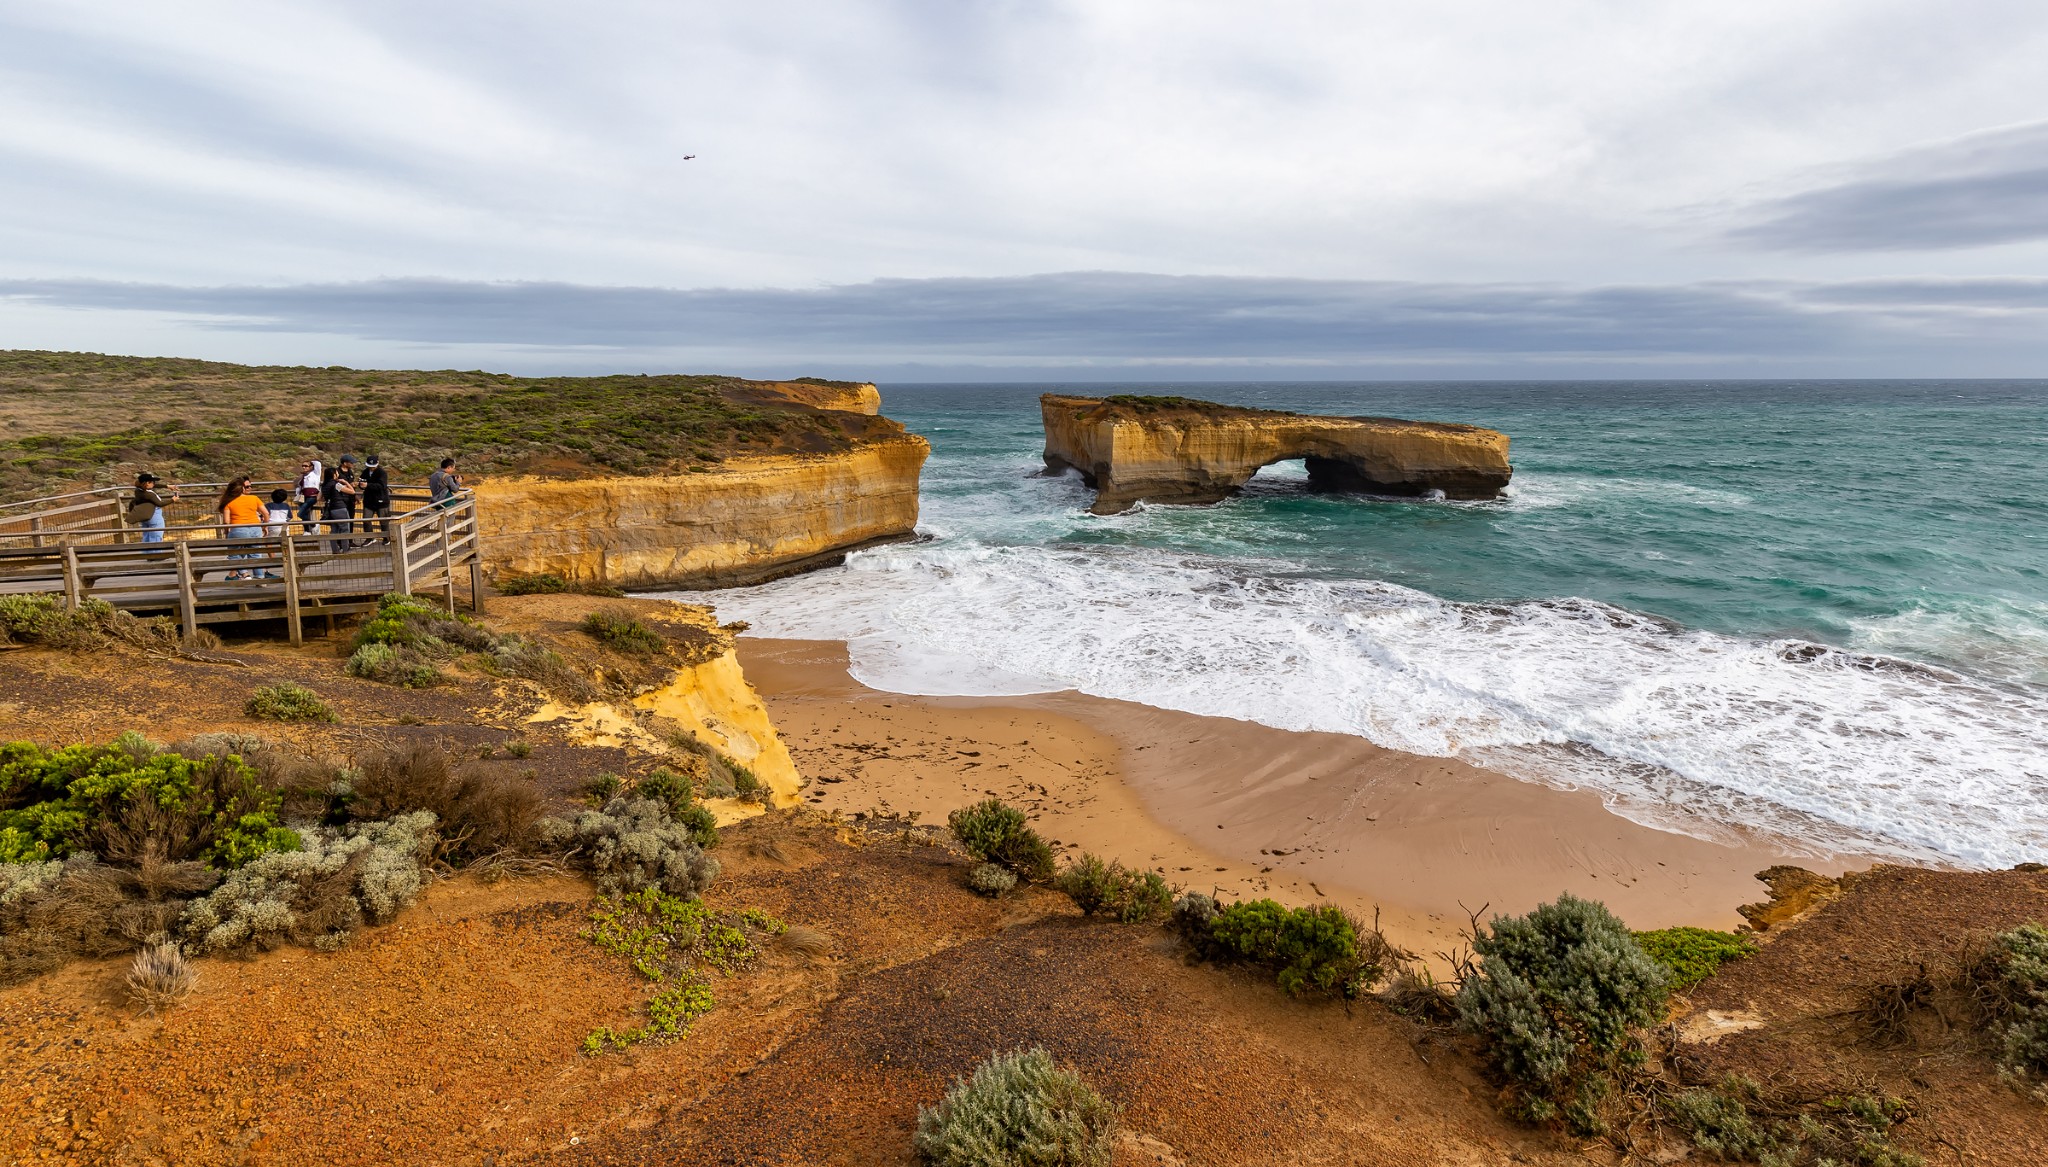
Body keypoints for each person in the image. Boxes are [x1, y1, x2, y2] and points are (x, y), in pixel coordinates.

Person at [217, 477, 266, 580]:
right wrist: (264, 526)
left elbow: (226, 521)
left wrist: (227, 532)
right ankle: (260, 577)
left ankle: (237, 575)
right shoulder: (254, 498)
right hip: (255, 528)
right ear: (243, 488)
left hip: (238, 529)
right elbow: (266, 513)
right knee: (256, 554)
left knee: (234, 554)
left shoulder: (229, 502)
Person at [321, 458, 361, 550]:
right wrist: (346, 482)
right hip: (340, 508)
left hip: (331, 509)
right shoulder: (336, 484)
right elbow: (351, 492)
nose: (338, 474)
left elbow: (319, 498)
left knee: (334, 530)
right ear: (334, 475)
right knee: (345, 529)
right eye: (336, 473)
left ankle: (335, 550)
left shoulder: (324, 485)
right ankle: (345, 549)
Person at [128, 472, 178, 544]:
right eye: (152, 482)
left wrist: (167, 486)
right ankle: (156, 554)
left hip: (145, 516)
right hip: (154, 517)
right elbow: (160, 503)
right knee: (156, 538)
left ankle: (146, 554)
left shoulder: (138, 490)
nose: (154, 483)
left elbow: (153, 486)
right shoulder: (149, 495)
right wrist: (173, 500)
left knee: (147, 538)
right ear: (147, 483)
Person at [360, 454, 392, 542]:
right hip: (369, 500)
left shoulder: (382, 473)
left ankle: (386, 538)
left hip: (381, 500)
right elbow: (362, 481)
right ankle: (369, 537)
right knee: (366, 519)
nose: (371, 468)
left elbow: (382, 485)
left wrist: (368, 485)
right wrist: (361, 485)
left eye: (373, 466)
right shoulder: (365, 472)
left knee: (383, 521)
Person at [295, 458, 324, 534]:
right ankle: (307, 530)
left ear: (311, 467)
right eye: (303, 466)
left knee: (300, 513)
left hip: (312, 496)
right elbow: (298, 486)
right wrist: (297, 495)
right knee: (305, 513)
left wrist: (310, 461)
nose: (304, 467)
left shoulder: (315, 474)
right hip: (303, 496)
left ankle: (313, 524)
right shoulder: (302, 476)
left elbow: (318, 463)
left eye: (306, 466)